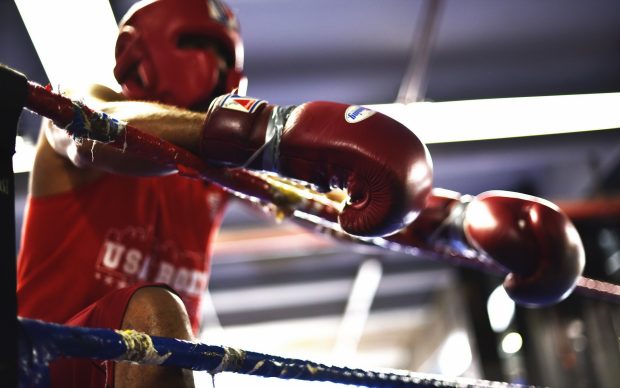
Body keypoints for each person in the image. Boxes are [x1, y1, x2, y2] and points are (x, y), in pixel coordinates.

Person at [16, 0, 431, 387]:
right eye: (199, 46)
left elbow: (328, 205)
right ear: (136, 52)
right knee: (155, 315)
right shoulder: (83, 109)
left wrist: (460, 225)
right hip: (40, 363)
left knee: (169, 335)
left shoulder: (214, 172)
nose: (219, 70)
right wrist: (263, 132)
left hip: (132, 370)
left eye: (227, 58)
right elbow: (92, 125)